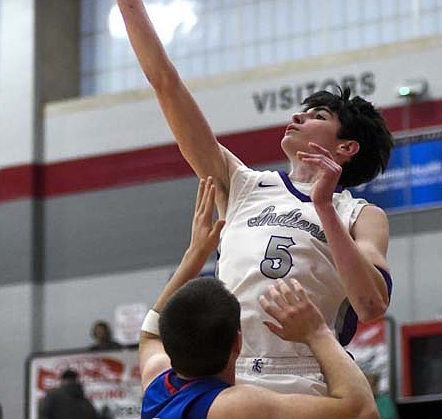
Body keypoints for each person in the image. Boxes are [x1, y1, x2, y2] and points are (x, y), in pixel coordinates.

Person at [64, 0, 395, 395]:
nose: (298, 115)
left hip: (310, 382)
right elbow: (165, 82)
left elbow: (370, 305)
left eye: (318, 114)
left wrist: (323, 205)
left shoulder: (360, 215)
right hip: (231, 381)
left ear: (346, 148)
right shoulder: (241, 184)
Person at [138, 177, 377, 419]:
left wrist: (195, 254)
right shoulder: (235, 407)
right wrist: (317, 332)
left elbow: (148, 334)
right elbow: (361, 411)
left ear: (168, 346)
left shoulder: (157, 382)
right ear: (237, 344)